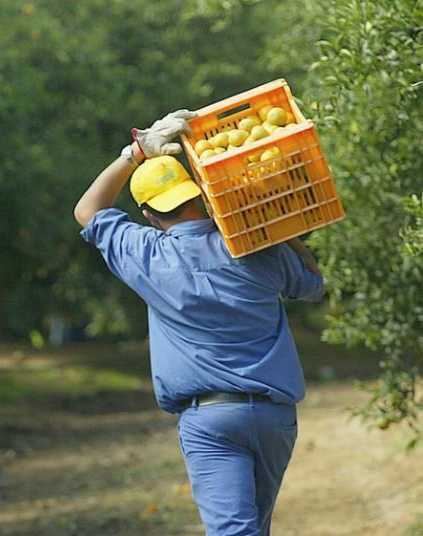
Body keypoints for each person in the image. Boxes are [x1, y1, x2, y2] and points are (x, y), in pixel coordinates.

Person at [73, 110, 324, 535]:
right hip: (274, 419)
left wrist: (135, 153)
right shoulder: (254, 248)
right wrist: (277, 229)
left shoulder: (147, 254)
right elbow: (313, 284)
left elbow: (87, 209)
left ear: (150, 215)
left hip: (209, 421)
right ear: (203, 196)